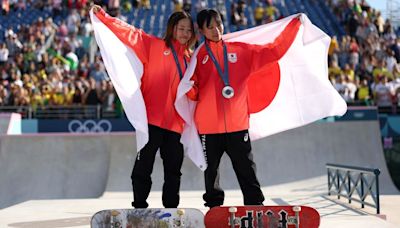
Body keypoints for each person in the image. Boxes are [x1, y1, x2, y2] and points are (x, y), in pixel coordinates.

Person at [185, 9, 301, 208]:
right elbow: (192, 92)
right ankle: (214, 208)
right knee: (211, 171)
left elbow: (274, 51)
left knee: (246, 168)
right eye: (210, 27)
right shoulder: (198, 58)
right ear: (202, 31)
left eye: (218, 24)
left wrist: (294, 26)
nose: (216, 30)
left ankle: (255, 205)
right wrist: (189, 89)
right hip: (208, 128)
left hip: (237, 126)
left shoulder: (240, 50)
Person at [91, 5, 196, 208]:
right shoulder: (153, 45)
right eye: (181, 28)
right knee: (144, 164)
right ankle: (139, 205)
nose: (185, 33)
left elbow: (194, 92)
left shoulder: (190, 59)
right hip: (152, 120)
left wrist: (192, 90)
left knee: (174, 169)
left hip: (175, 124)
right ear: (172, 28)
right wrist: (104, 17)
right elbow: (129, 33)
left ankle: (172, 209)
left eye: (189, 30)